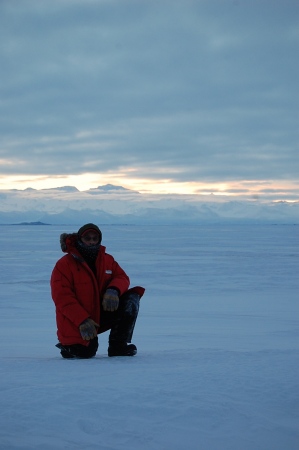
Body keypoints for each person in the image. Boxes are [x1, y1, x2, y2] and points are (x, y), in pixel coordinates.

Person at [50, 223, 145, 359]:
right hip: (75, 319)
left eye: (95, 239)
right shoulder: (64, 265)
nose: (91, 242)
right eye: (87, 238)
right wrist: (82, 320)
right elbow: (62, 298)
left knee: (132, 299)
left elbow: (121, 277)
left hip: (98, 314)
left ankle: (118, 346)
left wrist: (113, 290)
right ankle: (68, 346)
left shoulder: (107, 260)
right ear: (80, 239)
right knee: (86, 353)